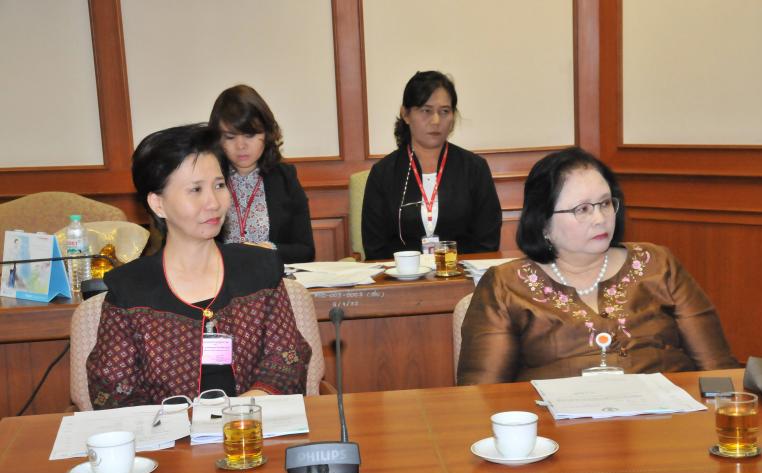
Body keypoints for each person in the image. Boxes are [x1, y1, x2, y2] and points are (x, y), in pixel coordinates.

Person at [458, 147, 739, 384]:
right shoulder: (506, 286)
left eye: (605, 204)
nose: (600, 218)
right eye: (582, 209)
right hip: (556, 428)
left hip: (667, 422)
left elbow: (718, 370)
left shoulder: (657, 264)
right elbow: (482, 396)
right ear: (543, 223)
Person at [87, 124, 312, 409]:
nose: (213, 203)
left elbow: (287, 361)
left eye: (219, 186)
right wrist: (185, 422)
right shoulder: (129, 289)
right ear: (158, 204)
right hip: (167, 434)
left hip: (252, 426)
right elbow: (112, 389)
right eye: (195, 190)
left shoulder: (260, 269)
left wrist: (235, 415)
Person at [361, 71, 501, 260]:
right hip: (402, 275)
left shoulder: (474, 169)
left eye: (444, 111)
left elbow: (488, 241)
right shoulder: (383, 173)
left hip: (462, 273)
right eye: (426, 111)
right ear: (406, 114)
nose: (436, 121)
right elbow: (374, 247)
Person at [209, 84, 315, 263]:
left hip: (272, 274)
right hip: (222, 276)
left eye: (249, 135)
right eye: (230, 137)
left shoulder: (285, 178)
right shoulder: (208, 181)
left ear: (267, 134)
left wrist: (268, 250)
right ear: (217, 139)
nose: (241, 146)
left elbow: (305, 251)